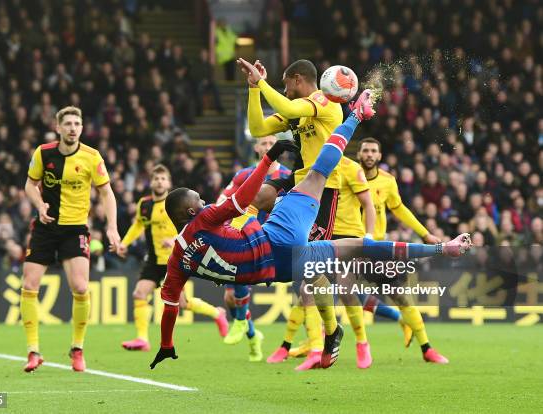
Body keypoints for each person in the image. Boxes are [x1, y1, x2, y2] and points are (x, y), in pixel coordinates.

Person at [149, 90, 471, 369]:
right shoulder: (203, 219)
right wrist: (269, 159)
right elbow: (242, 199)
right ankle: (356, 115)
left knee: (335, 265)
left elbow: (170, 307)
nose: (205, 201)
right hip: (278, 237)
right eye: (200, 200)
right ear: (191, 211)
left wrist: (166, 344)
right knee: (320, 176)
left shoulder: (178, 260)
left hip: (278, 269)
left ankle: (331, 334)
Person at [242, 57, 375, 369]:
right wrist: (252, 90)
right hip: (297, 181)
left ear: (298, 79)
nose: (285, 90)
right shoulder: (299, 113)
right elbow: (257, 127)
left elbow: (289, 109)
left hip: (321, 189)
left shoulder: (323, 100)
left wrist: (262, 83)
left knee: (309, 272)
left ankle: (331, 335)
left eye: (286, 84)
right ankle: (324, 337)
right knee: (257, 196)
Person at [21, 106, 121, 373]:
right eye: (68, 123)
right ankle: (33, 351)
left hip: (75, 229)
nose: (73, 127)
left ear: (82, 127)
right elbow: (30, 184)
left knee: (80, 287)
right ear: (58, 127)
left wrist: (112, 227)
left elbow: (107, 194)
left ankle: (77, 348)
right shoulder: (43, 153)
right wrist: (39, 204)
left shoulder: (92, 156)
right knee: (29, 285)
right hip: (45, 227)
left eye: (77, 123)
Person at [117, 164, 228, 352]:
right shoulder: (144, 204)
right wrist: (124, 243)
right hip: (153, 260)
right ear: (150, 182)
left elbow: (194, 226)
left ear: (169, 182)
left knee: (183, 304)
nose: (159, 182)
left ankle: (217, 313)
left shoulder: (176, 205)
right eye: (156, 178)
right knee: (139, 294)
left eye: (163, 178)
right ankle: (142, 339)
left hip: (174, 261)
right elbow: (138, 225)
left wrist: (175, 238)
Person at [356, 137, 449, 363]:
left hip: (378, 249)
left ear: (379, 156)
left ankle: (427, 348)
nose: (369, 154)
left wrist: (425, 234)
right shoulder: (347, 175)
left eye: (373, 151)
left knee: (401, 297)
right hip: (350, 247)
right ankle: (313, 346)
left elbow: (400, 210)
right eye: (365, 151)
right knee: (339, 294)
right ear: (359, 154)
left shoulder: (387, 181)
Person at [218, 134, 291, 362]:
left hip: (272, 238)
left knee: (238, 281)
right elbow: (223, 201)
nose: (269, 146)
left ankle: (243, 323)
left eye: (272, 143)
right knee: (230, 298)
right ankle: (251, 335)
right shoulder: (244, 175)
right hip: (243, 234)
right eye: (264, 143)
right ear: (257, 147)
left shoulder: (288, 177)